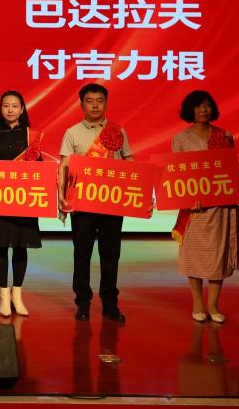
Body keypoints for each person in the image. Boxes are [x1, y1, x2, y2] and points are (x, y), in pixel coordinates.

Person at [171, 90, 239, 324]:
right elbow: (178, 174)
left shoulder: (224, 136)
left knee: (218, 256)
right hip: (196, 209)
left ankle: (213, 305)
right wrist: (188, 198)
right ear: (190, 110)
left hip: (221, 206)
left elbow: (232, 170)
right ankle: (197, 303)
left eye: (208, 105)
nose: (204, 110)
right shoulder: (180, 139)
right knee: (194, 255)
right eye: (199, 106)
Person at [58, 83, 133, 323]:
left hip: (112, 202)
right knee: (82, 254)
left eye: (99, 100)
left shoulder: (117, 131)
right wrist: (61, 194)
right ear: (82, 104)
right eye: (90, 101)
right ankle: (83, 302)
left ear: (106, 103)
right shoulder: (72, 133)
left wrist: (140, 191)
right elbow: (64, 166)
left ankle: (110, 303)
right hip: (82, 204)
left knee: (111, 255)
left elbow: (129, 161)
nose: (95, 105)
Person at [0, 90, 43, 317]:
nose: (10, 110)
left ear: (22, 109)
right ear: (0, 108)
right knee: (1, 245)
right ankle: (4, 296)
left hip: (24, 201)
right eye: (6, 105)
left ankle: (17, 295)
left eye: (15, 106)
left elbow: (40, 168)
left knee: (21, 245)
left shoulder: (32, 136)